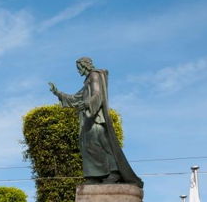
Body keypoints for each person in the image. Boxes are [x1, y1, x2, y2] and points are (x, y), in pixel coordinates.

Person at [49, 57, 143, 187]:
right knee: (89, 146)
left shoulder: (94, 75)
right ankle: (96, 175)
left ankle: (113, 173)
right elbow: (75, 99)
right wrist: (57, 93)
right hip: (89, 118)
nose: (78, 71)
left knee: (100, 144)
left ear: (85, 66)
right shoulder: (87, 80)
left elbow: (97, 94)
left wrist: (87, 104)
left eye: (79, 68)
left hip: (95, 117)